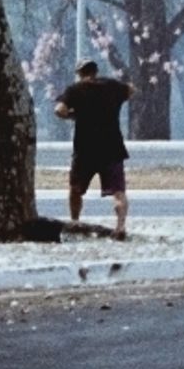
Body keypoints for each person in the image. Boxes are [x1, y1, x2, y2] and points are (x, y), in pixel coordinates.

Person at [55, 60, 134, 238]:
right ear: (96, 71)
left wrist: (73, 115)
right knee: (118, 192)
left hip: (85, 149)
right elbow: (131, 90)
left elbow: (59, 110)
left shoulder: (74, 90)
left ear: (80, 73)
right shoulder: (113, 86)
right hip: (112, 147)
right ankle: (120, 226)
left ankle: (75, 222)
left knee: (75, 189)